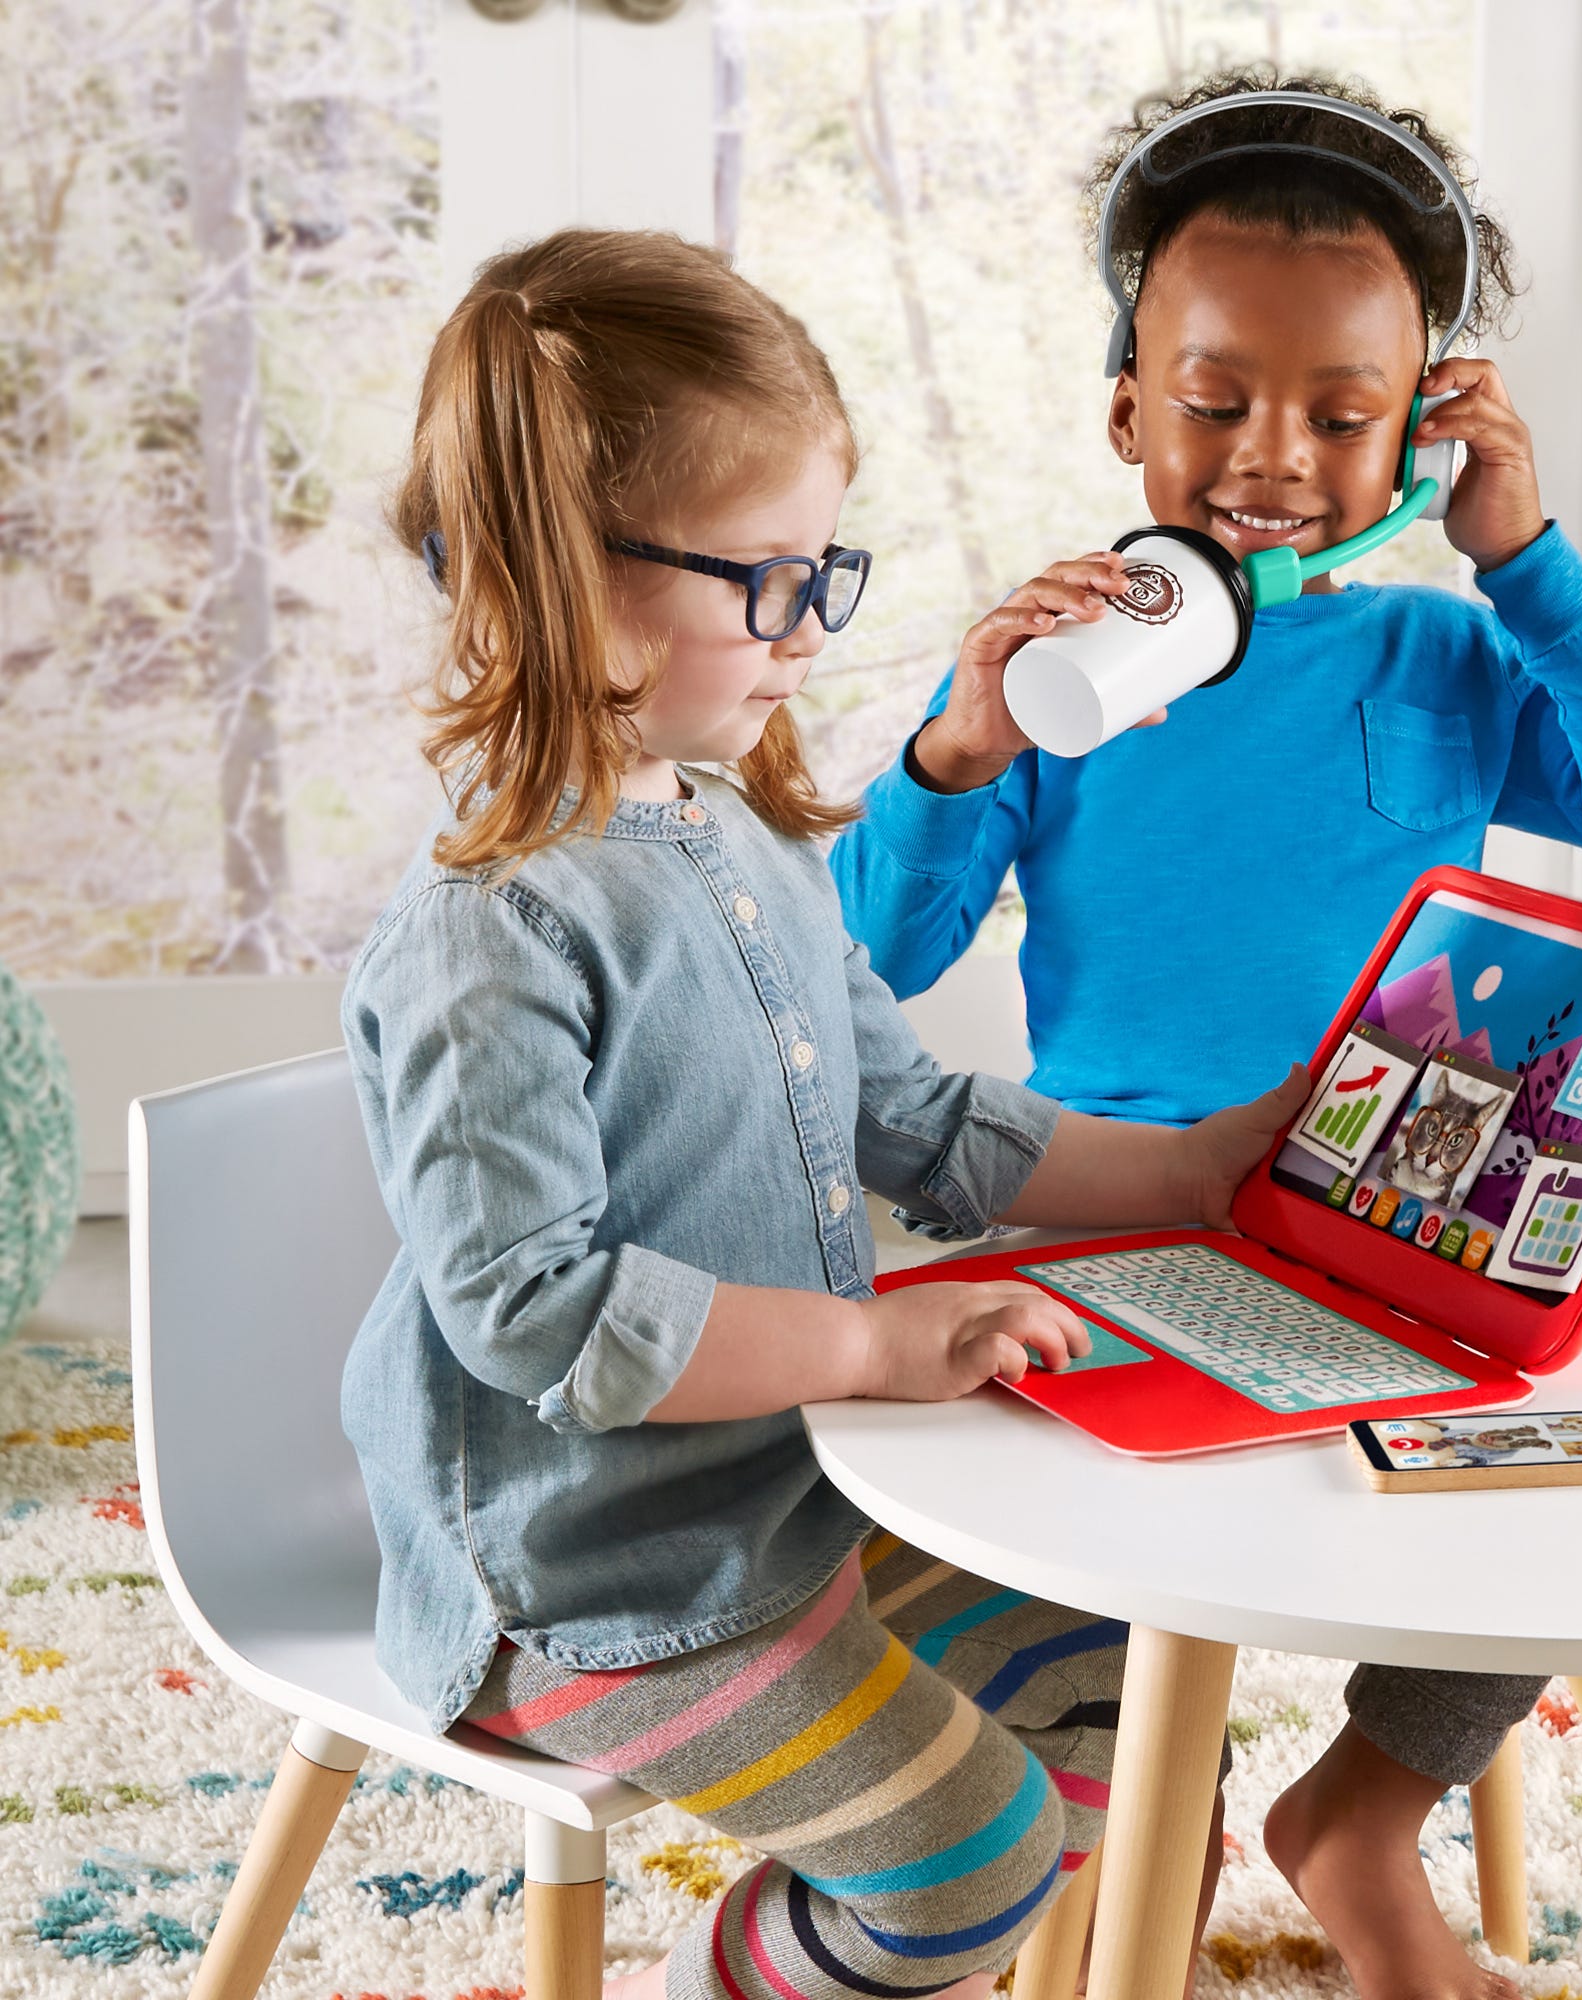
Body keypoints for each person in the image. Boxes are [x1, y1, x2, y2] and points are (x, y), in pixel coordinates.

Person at [830, 68, 1582, 2000]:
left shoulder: (1449, 648)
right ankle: (1103, 1828)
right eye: (1215, 400)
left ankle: (1363, 1816)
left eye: (1343, 417)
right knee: (1100, 1524)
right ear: (1125, 413)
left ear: (1421, 425)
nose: (1274, 457)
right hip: (1108, 1212)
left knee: (1571, 1457)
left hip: (1389, 1220)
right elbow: (872, 959)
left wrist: (1528, 556)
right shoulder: (1059, 663)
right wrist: (956, 745)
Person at [342, 227, 1305, 2000]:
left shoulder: (740, 833)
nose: (805, 632)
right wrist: (872, 1348)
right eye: (765, 582)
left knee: (1136, 1676)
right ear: (569, 575)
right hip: (603, 1584)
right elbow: (540, 1314)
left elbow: (915, 1113)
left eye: (821, 571)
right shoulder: (496, 929)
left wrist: (1189, 1166)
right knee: (977, 1859)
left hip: (803, 1493)